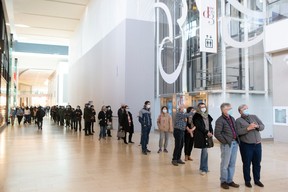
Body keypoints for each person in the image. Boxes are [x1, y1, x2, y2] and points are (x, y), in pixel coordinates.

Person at [235, 104, 265, 188]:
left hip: (257, 144)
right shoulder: (238, 120)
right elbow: (237, 132)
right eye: (244, 109)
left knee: (257, 163)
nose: (246, 110)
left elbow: (262, 126)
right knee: (247, 164)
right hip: (246, 145)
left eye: (247, 108)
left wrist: (257, 126)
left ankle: (257, 180)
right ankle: (247, 181)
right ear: (240, 111)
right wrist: (247, 128)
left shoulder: (254, 116)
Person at [214, 103, 239, 189]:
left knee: (232, 163)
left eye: (231, 108)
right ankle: (223, 181)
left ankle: (230, 180)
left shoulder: (232, 118)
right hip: (227, 144)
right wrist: (225, 142)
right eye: (229, 109)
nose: (231, 110)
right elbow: (217, 133)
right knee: (225, 164)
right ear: (223, 110)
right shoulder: (220, 120)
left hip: (235, 143)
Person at [193, 102, 213, 175]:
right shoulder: (196, 116)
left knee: (205, 152)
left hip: (208, 135)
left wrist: (211, 132)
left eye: (204, 107)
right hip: (201, 135)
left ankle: (203, 167)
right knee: (204, 151)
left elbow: (210, 125)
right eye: (201, 107)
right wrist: (206, 132)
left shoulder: (208, 116)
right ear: (199, 108)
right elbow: (199, 126)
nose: (203, 108)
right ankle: (204, 169)